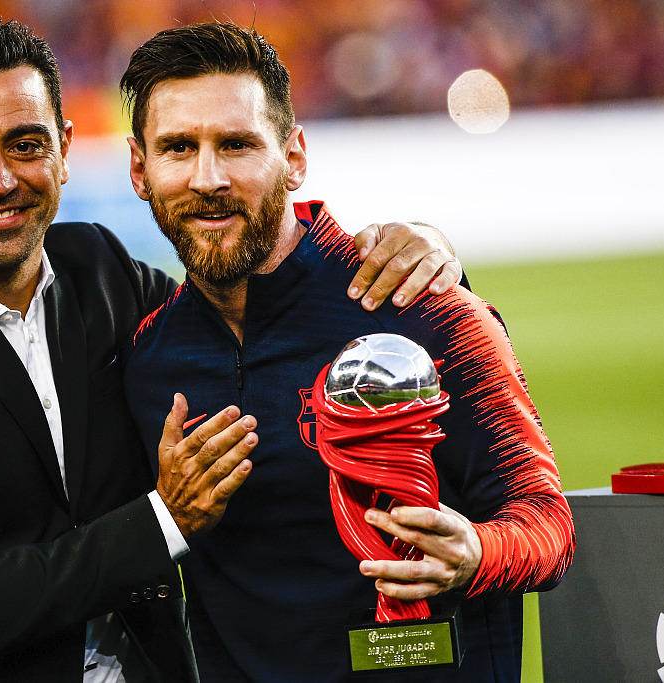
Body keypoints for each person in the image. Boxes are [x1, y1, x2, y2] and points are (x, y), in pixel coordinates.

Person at [0, 16, 463, 683]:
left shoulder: (102, 270)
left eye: (24, 144)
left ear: (64, 149)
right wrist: (164, 519)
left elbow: (261, 326)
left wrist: (430, 252)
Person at [119, 22, 575, 683]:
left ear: (294, 156)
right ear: (140, 169)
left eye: (237, 144)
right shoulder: (148, 355)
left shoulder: (425, 305)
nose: (207, 176)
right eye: (178, 148)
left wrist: (478, 551)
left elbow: (548, 525)